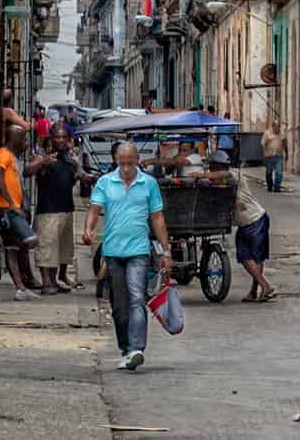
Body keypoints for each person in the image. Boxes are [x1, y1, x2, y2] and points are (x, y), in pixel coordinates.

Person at [83, 142, 173, 372]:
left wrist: (166, 251)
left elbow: (157, 218)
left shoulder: (148, 184)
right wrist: (88, 229)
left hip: (139, 252)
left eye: (130, 164)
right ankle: (125, 348)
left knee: (136, 298)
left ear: (137, 160)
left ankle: (137, 348)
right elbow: (94, 209)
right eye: (122, 164)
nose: (125, 169)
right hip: (113, 252)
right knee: (119, 306)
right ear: (116, 161)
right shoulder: (105, 182)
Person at [195, 150, 277, 303]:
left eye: (213, 167)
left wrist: (200, 175)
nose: (212, 171)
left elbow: (221, 175)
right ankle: (255, 292)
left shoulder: (234, 174)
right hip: (245, 224)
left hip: (256, 219)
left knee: (250, 257)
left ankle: (265, 286)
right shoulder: (220, 183)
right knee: (250, 257)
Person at [35, 125, 93, 294]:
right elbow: (28, 172)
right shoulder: (42, 157)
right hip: (48, 211)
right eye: (56, 137)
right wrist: (42, 163)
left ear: (68, 140)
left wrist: (90, 178)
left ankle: (54, 280)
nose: (60, 140)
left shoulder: (70, 161)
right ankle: (46, 283)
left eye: (63, 137)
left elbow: (81, 177)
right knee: (47, 248)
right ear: (51, 138)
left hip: (67, 209)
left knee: (61, 250)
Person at [0, 124, 44, 300]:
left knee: (12, 248)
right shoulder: (3, 154)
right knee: (31, 239)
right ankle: (25, 280)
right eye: (22, 139)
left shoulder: (14, 157)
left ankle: (21, 288)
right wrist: (11, 203)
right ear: (14, 138)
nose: (25, 142)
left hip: (14, 208)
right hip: (8, 209)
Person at [262, 119, 288, 192]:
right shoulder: (267, 133)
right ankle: (270, 185)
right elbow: (263, 144)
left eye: (279, 126)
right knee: (269, 172)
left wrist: (287, 153)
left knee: (279, 172)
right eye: (276, 126)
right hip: (269, 156)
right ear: (273, 126)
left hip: (278, 155)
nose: (278, 128)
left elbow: (285, 144)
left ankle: (277, 187)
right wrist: (264, 154)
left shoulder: (282, 133)